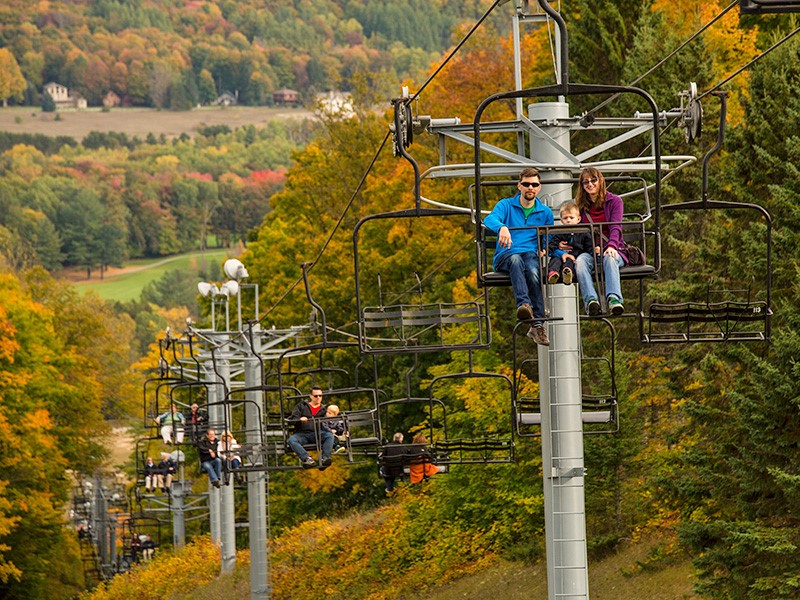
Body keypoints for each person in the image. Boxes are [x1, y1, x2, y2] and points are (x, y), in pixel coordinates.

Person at [483, 167, 553, 346]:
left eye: (534, 184)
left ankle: (537, 325)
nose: (530, 187)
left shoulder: (545, 213)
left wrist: (545, 247)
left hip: (530, 253)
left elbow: (548, 236)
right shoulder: (506, 205)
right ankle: (524, 305)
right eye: (526, 184)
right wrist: (502, 227)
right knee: (516, 259)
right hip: (506, 254)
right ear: (519, 186)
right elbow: (489, 219)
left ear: (539, 188)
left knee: (533, 270)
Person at [572, 167, 626, 316]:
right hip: (590, 251)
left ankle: (614, 299)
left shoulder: (614, 201)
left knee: (610, 257)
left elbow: (616, 226)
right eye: (586, 182)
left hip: (614, 248)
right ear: (582, 186)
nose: (590, 184)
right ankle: (591, 301)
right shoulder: (581, 207)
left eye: (593, 180)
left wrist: (611, 245)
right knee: (580, 262)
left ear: (600, 180)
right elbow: (578, 232)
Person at [547, 200, 598, 285]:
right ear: (561, 220)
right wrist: (548, 250)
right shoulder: (559, 232)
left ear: (578, 219)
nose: (568, 220)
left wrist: (594, 250)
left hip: (574, 257)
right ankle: (553, 273)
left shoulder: (583, 232)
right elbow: (553, 244)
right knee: (555, 261)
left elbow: (588, 245)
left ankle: (567, 273)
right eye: (565, 218)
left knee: (570, 261)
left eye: (571, 217)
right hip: (560, 256)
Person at [288, 387, 334, 470]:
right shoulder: (301, 406)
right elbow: (292, 420)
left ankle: (325, 458)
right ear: (311, 396)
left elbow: (332, 421)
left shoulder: (324, 409)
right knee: (292, 440)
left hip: (317, 433)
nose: (318, 398)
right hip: (302, 434)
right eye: (316, 396)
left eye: (320, 396)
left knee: (329, 436)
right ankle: (307, 459)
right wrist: (300, 420)